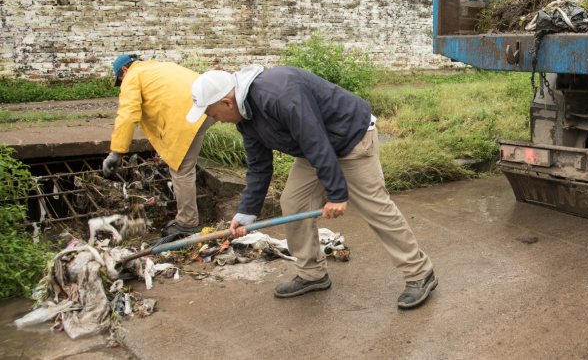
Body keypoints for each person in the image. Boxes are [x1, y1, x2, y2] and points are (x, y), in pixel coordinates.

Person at [186, 65, 437, 309]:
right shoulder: (245, 117)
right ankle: (312, 273)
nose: (216, 120)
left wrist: (337, 194)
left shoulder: (280, 93)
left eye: (212, 114)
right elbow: (259, 166)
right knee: (294, 203)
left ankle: (419, 273)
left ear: (226, 102)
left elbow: (314, 137)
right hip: (314, 148)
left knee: (374, 206)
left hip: (350, 137)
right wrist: (246, 212)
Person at [103, 54, 214, 236]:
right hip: (208, 106)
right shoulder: (157, 67)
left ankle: (187, 224)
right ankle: (188, 218)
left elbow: (128, 113)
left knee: (181, 168)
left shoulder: (132, 76)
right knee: (187, 164)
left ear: (124, 70)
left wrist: (116, 152)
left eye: (120, 79)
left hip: (187, 115)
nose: (122, 83)